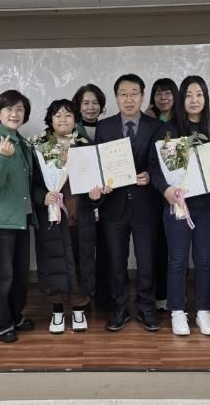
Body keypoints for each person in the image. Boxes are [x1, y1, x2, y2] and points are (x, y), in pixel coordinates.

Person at [149, 75, 210, 336]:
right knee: (177, 260)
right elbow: (154, 168)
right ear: (181, 99)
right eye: (189, 95)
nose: (194, 100)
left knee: (204, 260)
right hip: (178, 205)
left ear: (206, 98)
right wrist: (166, 190)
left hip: (208, 207)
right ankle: (177, 311)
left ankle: (204, 311)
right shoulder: (167, 131)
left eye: (199, 94)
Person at [32, 99, 111, 334]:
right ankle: (57, 310)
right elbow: (32, 185)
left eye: (68, 115)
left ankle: (79, 308)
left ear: (75, 119)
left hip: (80, 217)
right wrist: (43, 196)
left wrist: (97, 196)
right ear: (50, 120)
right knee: (53, 264)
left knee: (81, 262)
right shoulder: (39, 147)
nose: (63, 119)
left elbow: (96, 186)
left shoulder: (85, 146)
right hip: (53, 217)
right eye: (58, 115)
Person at [95, 73, 162, 332]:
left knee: (147, 261)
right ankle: (120, 308)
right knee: (116, 260)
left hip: (146, 204)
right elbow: (98, 164)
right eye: (123, 94)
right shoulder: (104, 127)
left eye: (134, 93)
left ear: (143, 96)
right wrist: (103, 183)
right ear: (116, 98)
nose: (129, 98)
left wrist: (151, 175)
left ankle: (146, 307)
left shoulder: (156, 126)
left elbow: (161, 164)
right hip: (114, 205)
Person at [0, 90, 37, 343]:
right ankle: (1, 323)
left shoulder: (21, 141)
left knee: (19, 273)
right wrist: (2, 157)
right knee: (1, 275)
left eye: (19, 109)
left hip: (20, 217)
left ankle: (14, 315)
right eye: (9, 109)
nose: (14, 114)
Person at [72, 84, 112, 311]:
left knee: (107, 248)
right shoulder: (71, 131)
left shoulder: (110, 128)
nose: (90, 107)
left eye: (95, 103)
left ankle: (104, 294)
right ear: (78, 106)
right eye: (85, 103)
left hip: (108, 199)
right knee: (83, 250)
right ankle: (83, 294)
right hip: (81, 203)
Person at [146, 77, 179, 312]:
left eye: (168, 93)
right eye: (158, 93)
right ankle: (159, 294)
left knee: (177, 245)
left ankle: (175, 293)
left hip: (178, 193)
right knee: (157, 244)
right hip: (152, 192)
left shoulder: (182, 121)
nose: (163, 97)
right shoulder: (148, 122)